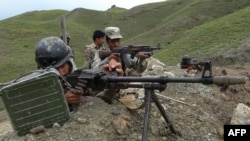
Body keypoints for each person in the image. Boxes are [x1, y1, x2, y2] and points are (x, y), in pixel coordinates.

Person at [34, 36, 124, 108]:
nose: (61, 72)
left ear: (69, 62)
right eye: (55, 69)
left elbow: (101, 102)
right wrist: (62, 100)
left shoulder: (75, 80)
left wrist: (113, 87)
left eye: (62, 65)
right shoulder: (37, 87)